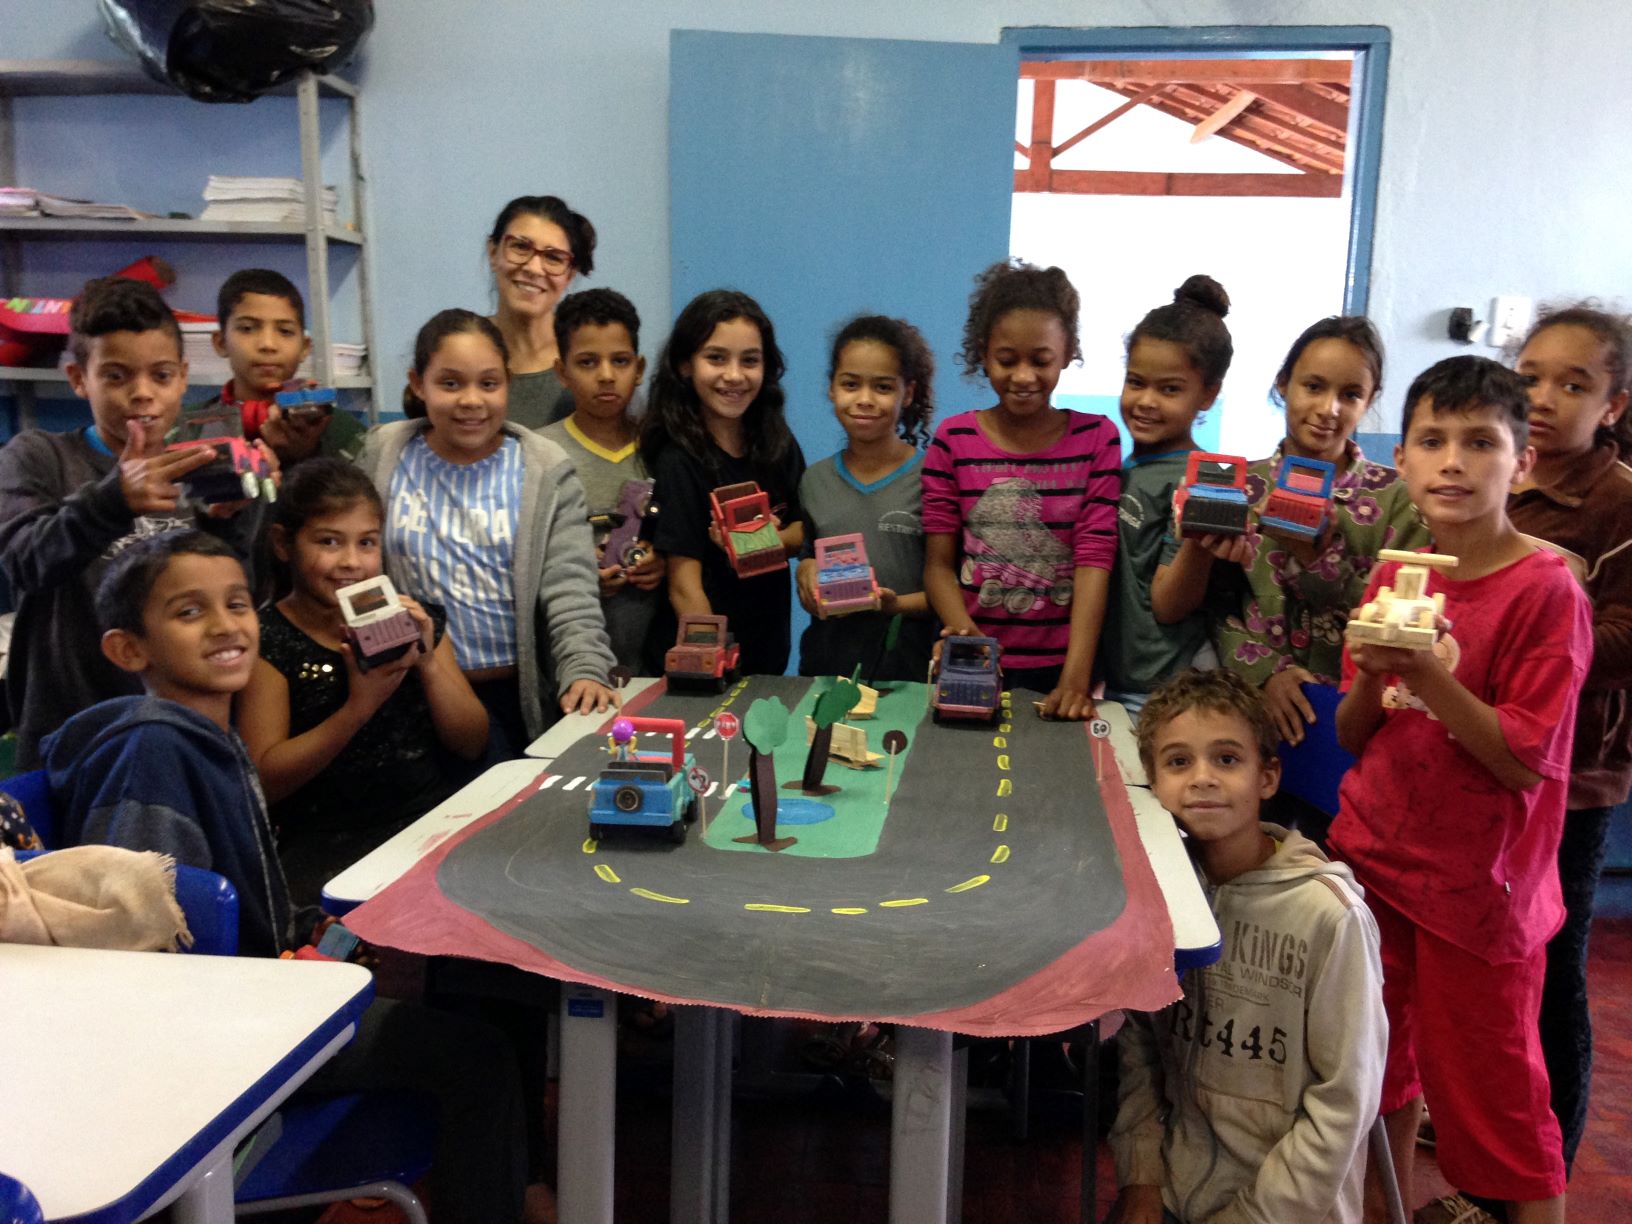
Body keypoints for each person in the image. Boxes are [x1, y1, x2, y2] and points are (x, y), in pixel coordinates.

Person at [40, 530, 534, 1224]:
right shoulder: (151, 749)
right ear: (129, 650)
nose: (225, 626)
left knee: (461, 1022)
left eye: (238, 604)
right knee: (477, 1057)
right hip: (225, 1045)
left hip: (257, 1004)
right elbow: (145, 943)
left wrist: (305, 934)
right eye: (189, 611)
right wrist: (282, 977)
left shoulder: (208, 740)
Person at [1329, 357, 1592, 1224]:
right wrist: (1373, 672)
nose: (1453, 461)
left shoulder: (1545, 590)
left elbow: (1521, 761)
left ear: (1522, 463)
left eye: (1481, 442)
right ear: (1400, 459)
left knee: (1497, 1102)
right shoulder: (1398, 574)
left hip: (1479, 896)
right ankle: (1386, 1212)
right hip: (1377, 864)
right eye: (1432, 440)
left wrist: (1423, 671)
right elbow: (1355, 734)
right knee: (1377, 1073)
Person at [1109, 668, 1385, 1224]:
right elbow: (1141, 1044)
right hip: (1175, 1190)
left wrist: (1252, 1216)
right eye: (1178, 761)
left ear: (1267, 777)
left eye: (1227, 759)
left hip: (1286, 1210)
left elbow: (1343, 1105)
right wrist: (1141, 1175)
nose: (1202, 779)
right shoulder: (1161, 895)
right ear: (1152, 781)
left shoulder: (1331, 918)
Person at [0, 275, 264, 770]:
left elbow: (238, 594)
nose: (142, 394)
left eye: (160, 376)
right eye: (117, 376)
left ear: (183, 377)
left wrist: (227, 523)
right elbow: (24, 561)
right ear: (79, 378)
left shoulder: (201, 468)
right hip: (73, 739)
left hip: (187, 733)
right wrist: (113, 501)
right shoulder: (39, 457)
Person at [1154, 317, 1428, 746]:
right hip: (1250, 711)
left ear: (1371, 399)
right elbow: (1216, 609)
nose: (1328, 409)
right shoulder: (1240, 487)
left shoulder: (1398, 500)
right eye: (1313, 386)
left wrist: (1319, 560)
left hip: (1359, 720)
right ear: (1283, 384)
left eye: (1350, 394)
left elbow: (1403, 624)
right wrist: (1266, 673)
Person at [358, 308, 615, 759]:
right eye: (450, 383)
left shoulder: (543, 469)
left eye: (489, 384)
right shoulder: (384, 453)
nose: (471, 400)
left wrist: (585, 668)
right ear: (418, 384)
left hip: (514, 698)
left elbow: (571, 588)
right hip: (408, 695)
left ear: (507, 384)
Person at [237, 459, 489, 908]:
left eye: (367, 542)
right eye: (329, 542)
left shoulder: (414, 619)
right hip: (326, 844)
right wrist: (359, 707)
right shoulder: (267, 640)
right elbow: (266, 779)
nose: (351, 562)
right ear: (283, 543)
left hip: (429, 822)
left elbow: (472, 743)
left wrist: (427, 663)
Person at [1508, 303, 1632, 1176]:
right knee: (1490, 967)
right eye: (1530, 378)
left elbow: (1625, 639)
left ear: (1613, 405)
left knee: (1551, 968)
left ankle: (1545, 1172)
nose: (1545, 399)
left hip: (1573, 777)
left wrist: (1528, 635)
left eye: (1573, 385)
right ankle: (1497, 1139)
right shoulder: (1496, 474)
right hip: (1486, 760)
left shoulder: (1618, 504)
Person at [921, 258, 1119, 720]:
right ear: (983, 353)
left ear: (1067, 353)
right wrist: (964, 633)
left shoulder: (1097, 439)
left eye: (1041, 360)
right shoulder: (953, 440)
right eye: (1007, 360)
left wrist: (1076, 677)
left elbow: (1094, 558)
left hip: (1064, 670)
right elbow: (937, 566)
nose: (1024, 376)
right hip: (974, 663)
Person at [640, 289, 806, 676]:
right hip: (707, 666)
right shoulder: (678, 460)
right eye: (716, 358)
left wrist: (760, 542)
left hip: (768, 654)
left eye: (750, 360)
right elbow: (684, 586)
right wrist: (711, 662)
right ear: (685, 365)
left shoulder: (777, 442)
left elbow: (805, 529)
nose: (734, 375)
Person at [1101, 276, 1232, 717]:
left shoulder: (1199, 481)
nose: (1146, 401)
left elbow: (1168, 604)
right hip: (1122, 681)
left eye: (1170, 389)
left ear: (1208, 394)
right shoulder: (1126, 469)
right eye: (1136, 382)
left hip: (1168, 691)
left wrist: (1199, 539)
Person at [795, 314, 938, 682]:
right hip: (826, 671)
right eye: (850, 384)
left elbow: (948, 587)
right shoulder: (814, 481)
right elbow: (810, 555)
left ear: (908, 393)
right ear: (832, 388)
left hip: (908, 674)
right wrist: (805, 572)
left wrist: (894, 605)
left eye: (883, 387)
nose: (864, 399)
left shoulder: (933, 479)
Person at [540, 288, 666, 671]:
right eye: (588, 362)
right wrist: (577, 573)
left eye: (620, 361)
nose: (607, 376)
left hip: (655, 666)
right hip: (566, 674)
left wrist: (663, 562)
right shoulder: (540, 455)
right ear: (562, 372)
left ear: (639, 369)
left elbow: (687, 544)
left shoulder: (663, 449)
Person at [182, 267, 365, 467]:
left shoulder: (343, 433)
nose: (268, 344)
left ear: (304, 348)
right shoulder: (186, 429)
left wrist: (306, 456)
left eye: (285, 331)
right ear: (221, 342)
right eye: (247, 328)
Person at [484, 194, 597, 429]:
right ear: (493, 253)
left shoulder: (591, 359)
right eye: (520, 247)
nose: (534, 268)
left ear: (570, 274)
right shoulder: (456, 349)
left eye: (553, 258)